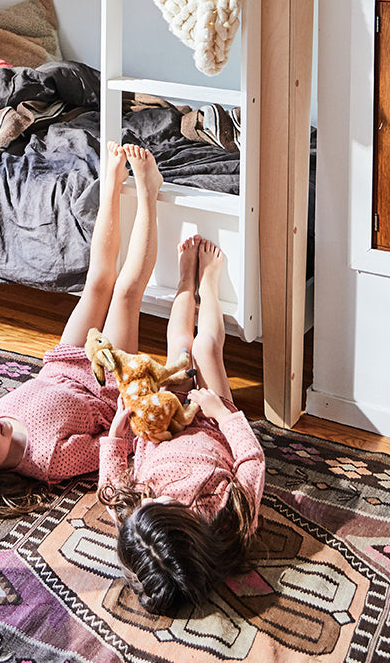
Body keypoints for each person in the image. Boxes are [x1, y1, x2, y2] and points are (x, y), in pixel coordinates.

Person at [0, 140, 169, 518]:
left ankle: (112, 185)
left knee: (96, 281)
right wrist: (134, 401)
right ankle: (148, 191)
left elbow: (36, 396)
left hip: (63, 365)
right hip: (105, 387)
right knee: (126, 293)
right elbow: (114, 445)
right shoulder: (50, 460)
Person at [98, 236, 265, 616]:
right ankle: (208, 284)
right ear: (190, 529)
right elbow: (252, 462)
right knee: (205, 348)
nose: (152, 497)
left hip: (160, 422)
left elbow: (110, 488)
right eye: (164, 504)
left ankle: (183, 283)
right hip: (211, 424)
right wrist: (221, 413)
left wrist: (116, 435)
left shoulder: (138, 525)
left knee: (180, 351)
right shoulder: (230, 522)